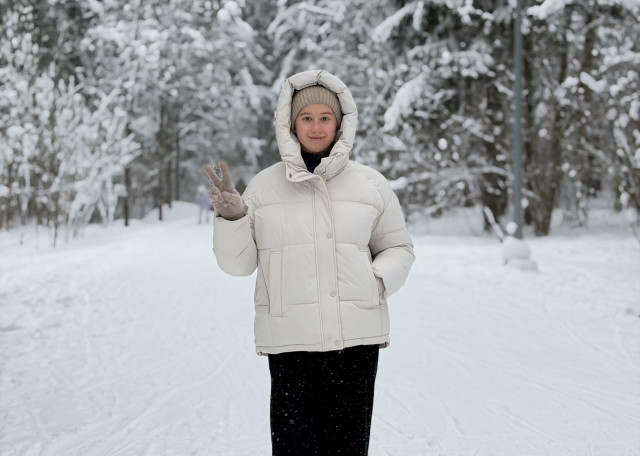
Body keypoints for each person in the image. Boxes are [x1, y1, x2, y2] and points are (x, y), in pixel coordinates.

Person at [205, 69, 415, 455]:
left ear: (340, 123)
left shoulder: (371, 185)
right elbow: (238, 265)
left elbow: (398, 247)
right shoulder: (264, 188)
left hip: (355, 345)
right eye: (306, 118)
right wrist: (233, 218)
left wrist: (374, 282)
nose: (316, 127)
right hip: (292, 346)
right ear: (291, 124)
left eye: (325, 117)